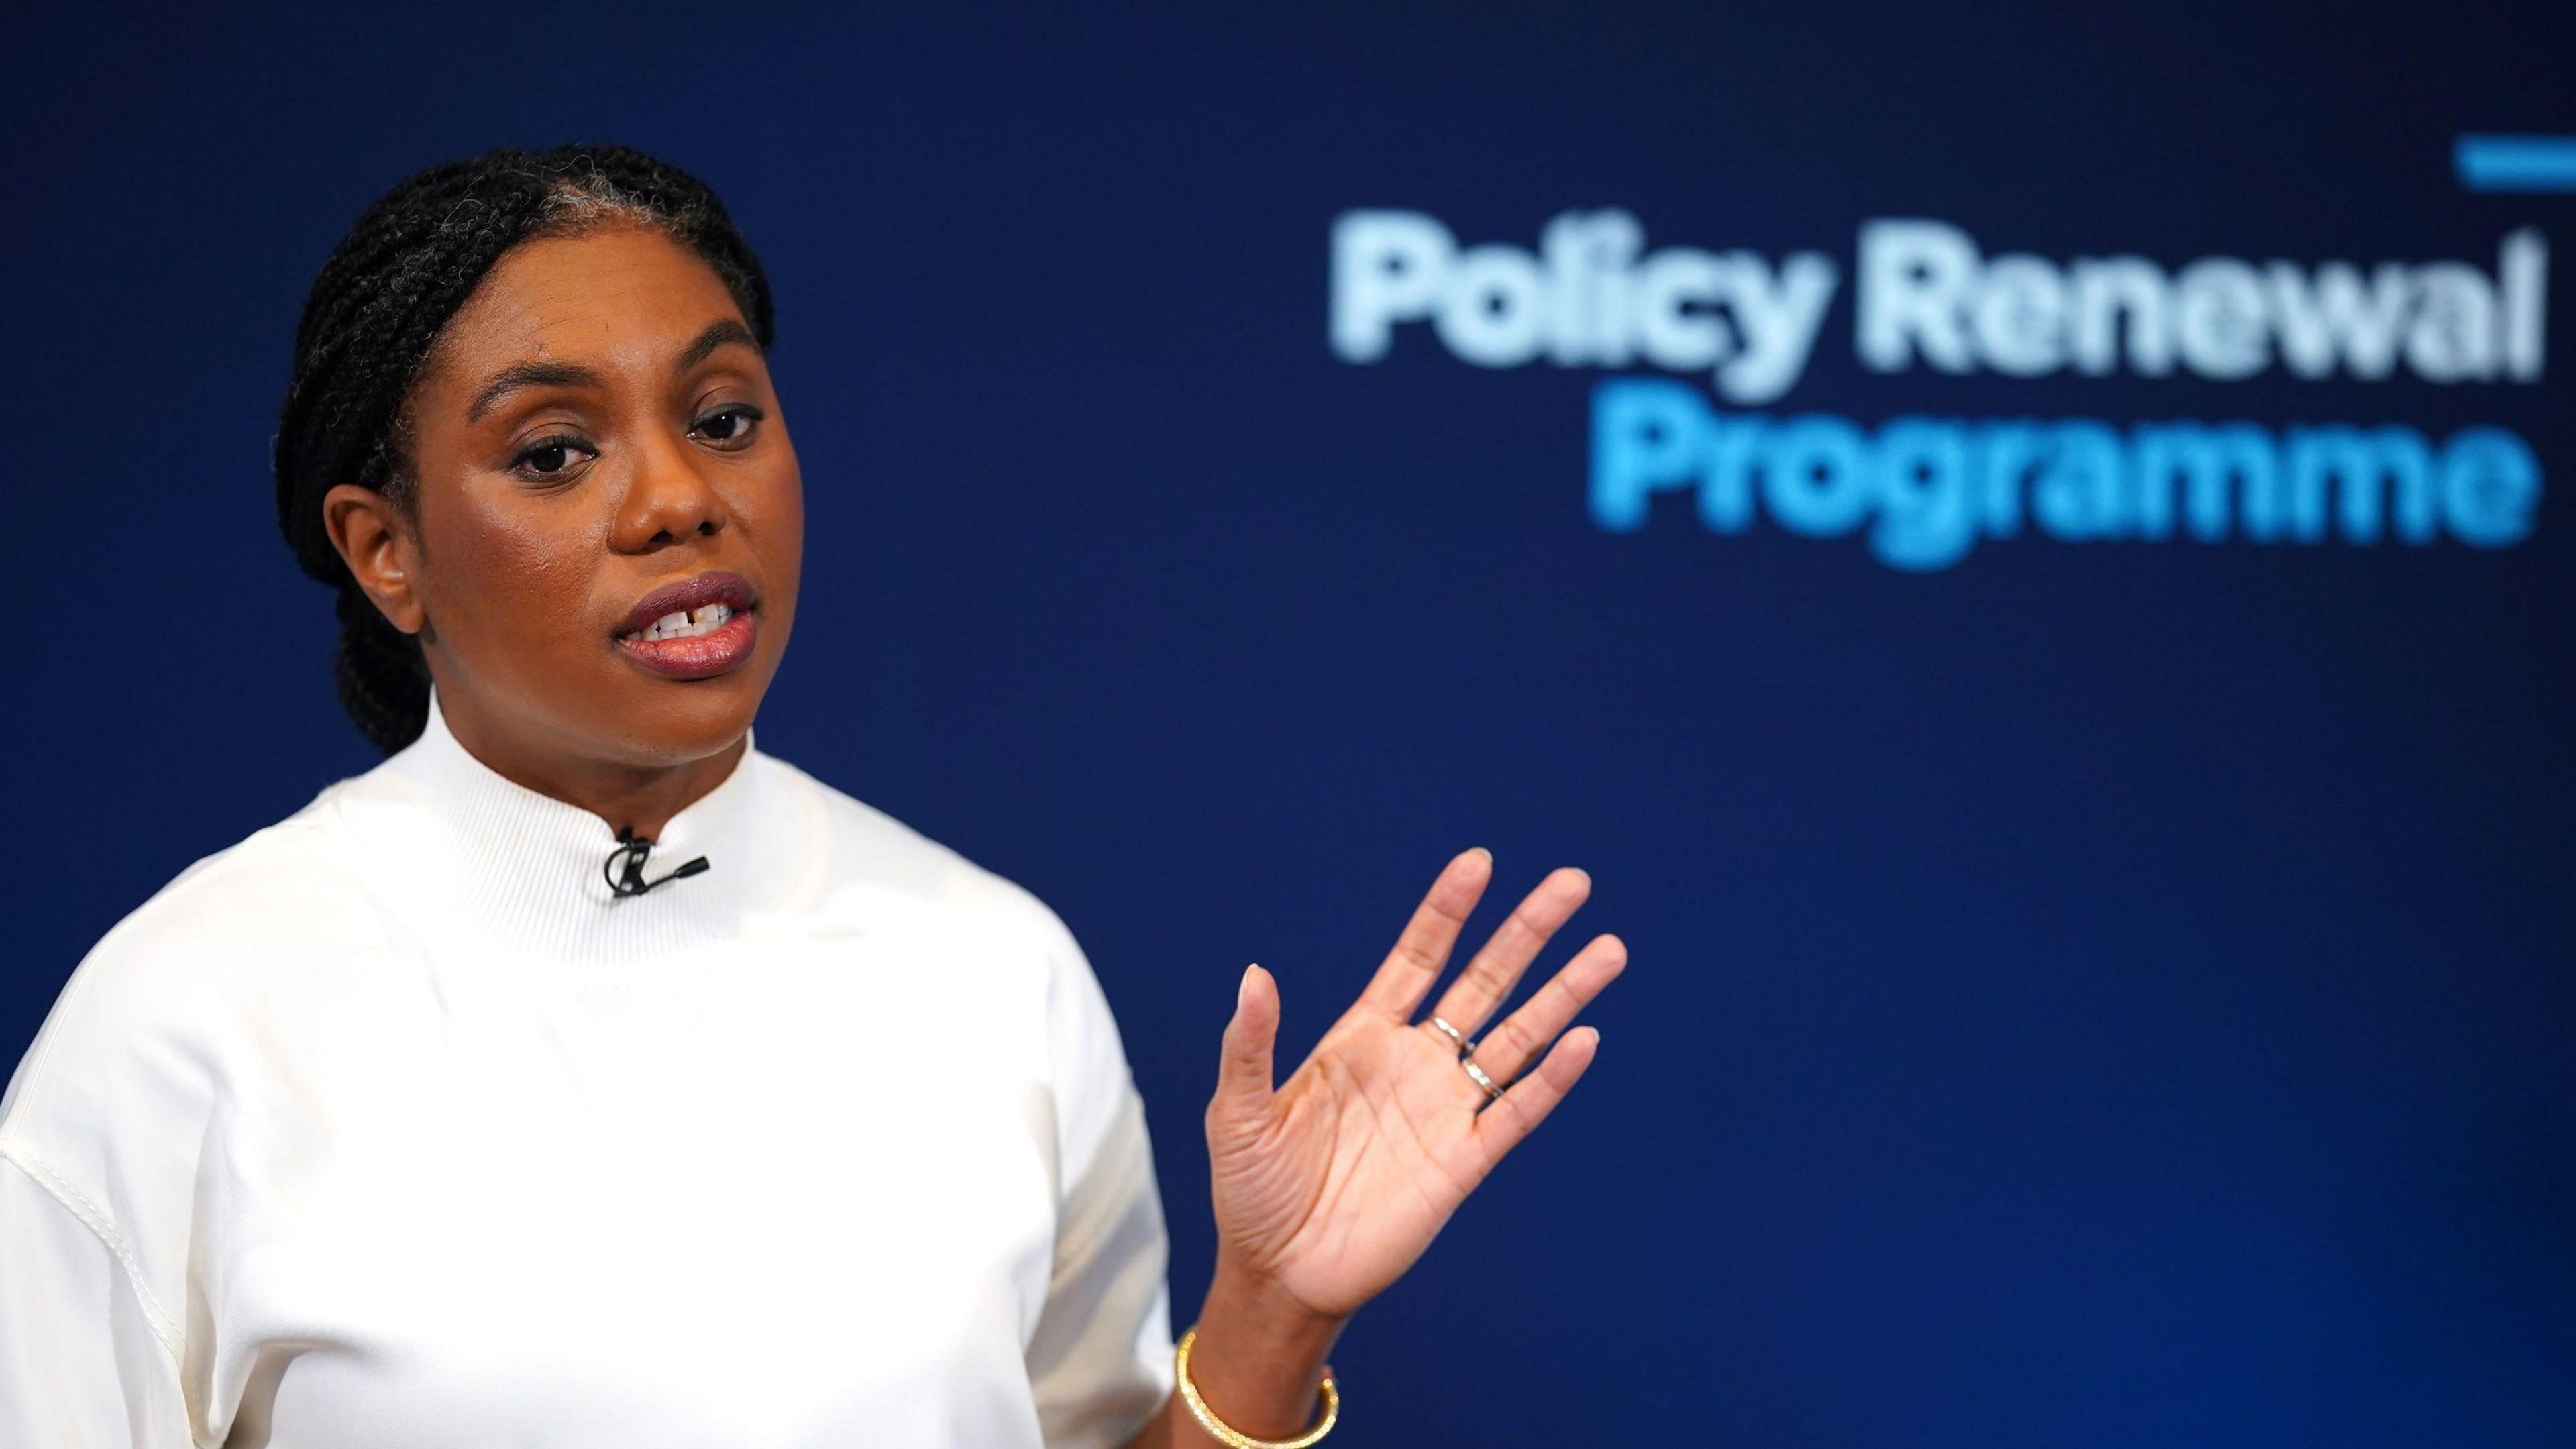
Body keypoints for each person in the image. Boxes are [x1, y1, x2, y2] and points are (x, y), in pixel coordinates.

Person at [0, 144, 1628, 1448]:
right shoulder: (186, 1022)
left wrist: (1272, 1322)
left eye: (722, 419)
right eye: (556, 451)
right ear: (387, 552)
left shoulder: (995, 966)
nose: (678, 499)